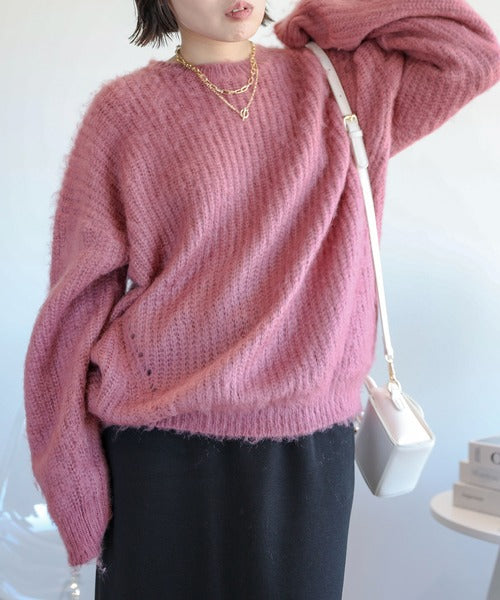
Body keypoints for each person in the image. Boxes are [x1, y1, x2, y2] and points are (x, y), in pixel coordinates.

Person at [22, 0, 500, 598]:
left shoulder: (339, 87)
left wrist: (314, 22)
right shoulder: (124, 113)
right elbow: (72, 311)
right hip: (157, 449)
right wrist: (73, 479)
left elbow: (470, 52)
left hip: (306, 451)